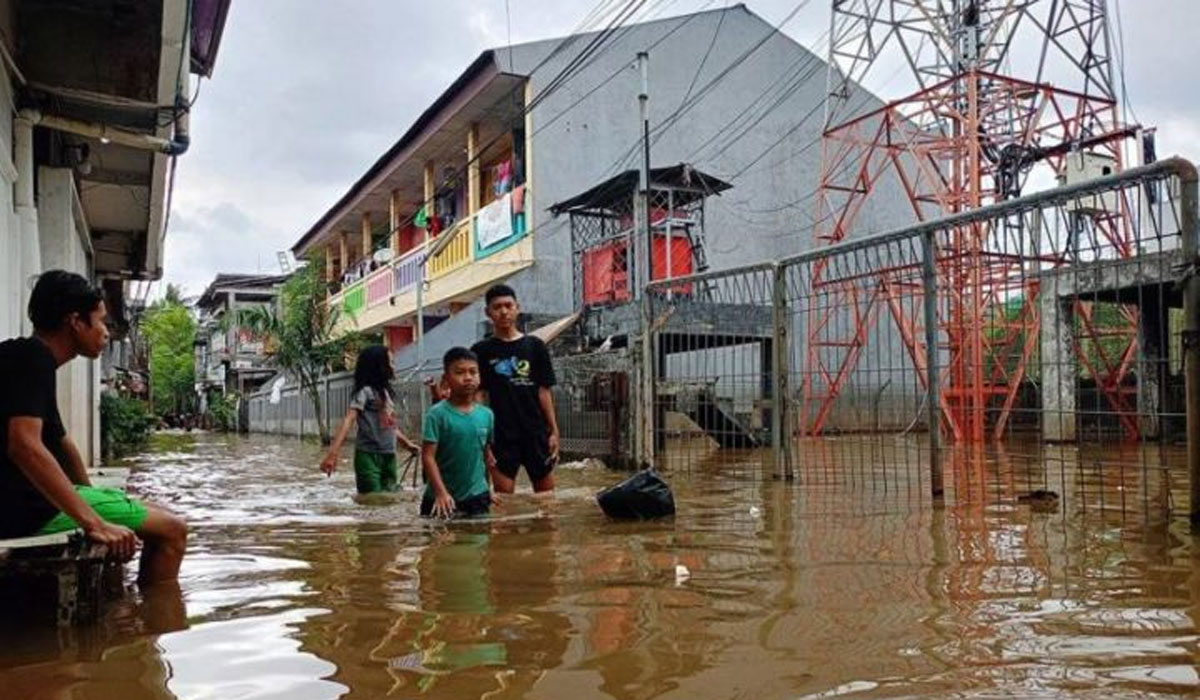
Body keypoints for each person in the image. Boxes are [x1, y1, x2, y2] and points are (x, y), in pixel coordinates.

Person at [0, 270, 187, 585]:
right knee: (174, 529)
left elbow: (61, 443)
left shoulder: (24, 357)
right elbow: (25, 447)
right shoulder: (34, 359)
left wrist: (88, 496)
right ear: (75, 322)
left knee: (155, 508)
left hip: (19, 502)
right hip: (19, 510)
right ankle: (152, 623)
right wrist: (94, 523)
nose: (106, 333)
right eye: (100, 322)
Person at [471, 284, 560, 494]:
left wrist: (554, 430)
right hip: (500, 434)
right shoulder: (480, 351)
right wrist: (481, 436)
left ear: (517, 308)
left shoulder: (535, 346)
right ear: (488, 313)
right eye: (497, 307)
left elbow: (544, 391)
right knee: (503, 501)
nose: (503, 311)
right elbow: (479, 395)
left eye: (508, 305)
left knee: (547, 500)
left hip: (535, 431)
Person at [321, 346, 419, 493]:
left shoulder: (386, 394)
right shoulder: (364, 392)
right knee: (371, 498)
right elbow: (349, 420)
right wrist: (332, 453)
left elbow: (390, 426)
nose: (394, 366)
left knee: (390, 497)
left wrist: (408, 444)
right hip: (367, 455)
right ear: (379, 366)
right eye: (391, 362)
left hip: (389, 454)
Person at [421, 347, 495, 518]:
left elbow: (485, 456)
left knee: (481, 541)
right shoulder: (437, 414)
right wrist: (440, 493)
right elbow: (427, 456)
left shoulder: (487, 415)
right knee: (439, 543)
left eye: (473, 372)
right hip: (440, 497)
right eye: (460, 372)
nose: (468, 377)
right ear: (446, 379)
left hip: (477, 496)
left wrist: (488, 489)